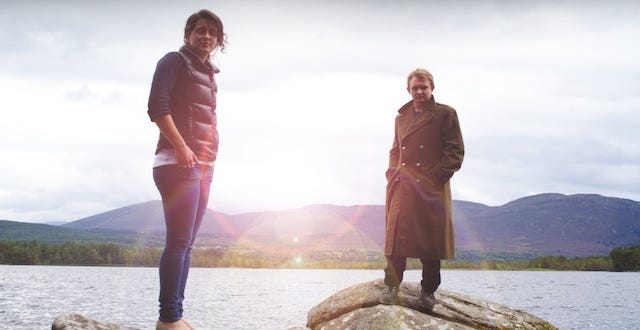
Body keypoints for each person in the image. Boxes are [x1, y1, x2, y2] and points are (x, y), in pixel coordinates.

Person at [147, 9, 226, 330]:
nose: (206, 36)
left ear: (218, 40)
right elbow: (157, 107)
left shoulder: (208, 73)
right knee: (179, 241)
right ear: (188, 35)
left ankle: (175, 314)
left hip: (204, 164)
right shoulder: (173, 62)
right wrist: (181, 146)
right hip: (177, 162)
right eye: (200, 30)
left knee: (188, 243)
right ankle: (168, 319)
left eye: (212, 32)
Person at [380, 68, 464, 310]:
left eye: (423, 87)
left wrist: (433, 178)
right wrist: (392, 172)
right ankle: (391, 287)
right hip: (401, 187)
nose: (419, 92)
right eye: (415, 88)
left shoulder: (446, 115)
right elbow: (395, 149)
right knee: (395, 241)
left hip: (430, 189)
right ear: (409, 90)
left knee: (430, 243)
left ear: (432, 89)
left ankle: (428, 292)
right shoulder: (401, 118)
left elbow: (455, 152)